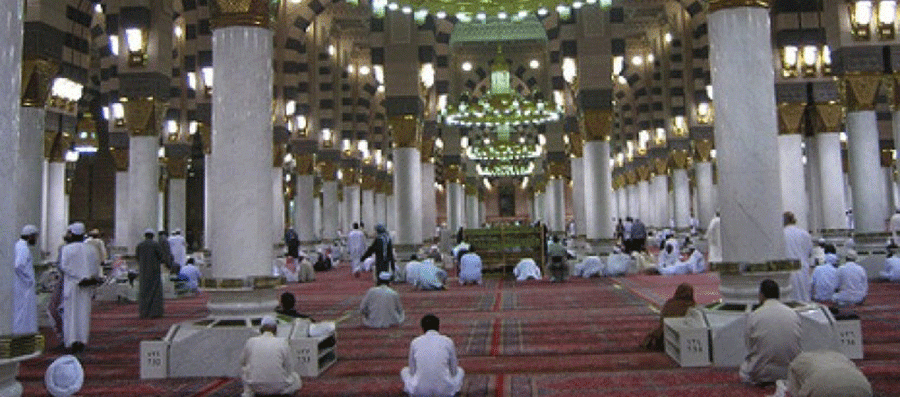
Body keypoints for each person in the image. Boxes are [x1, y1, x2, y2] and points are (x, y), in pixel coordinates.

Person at [740, 279, 801, 385]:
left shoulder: (754, 315)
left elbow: (749, 345)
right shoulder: (792, 314)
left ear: (761, 295)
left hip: (762, 373)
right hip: (790, 372)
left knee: (744, 370)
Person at [59, 222, 102, 353]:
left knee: (71, 314)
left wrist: (78, 277)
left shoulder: (66, 249)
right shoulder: (91, 249)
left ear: (72, 234)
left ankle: (71, 340)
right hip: (86, 286)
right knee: (83, 313)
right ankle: (82, 340)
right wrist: (88, 278)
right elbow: (95, 267)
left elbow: (64, 267)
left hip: (72, 285)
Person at [401, 314, 465, 397]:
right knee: (460, 371)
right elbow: (453, 370)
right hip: (445, 392)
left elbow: (412, 371)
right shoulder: (448, 341)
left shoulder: (415, 342)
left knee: (405, 371)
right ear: (438, 327)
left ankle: (411, 390)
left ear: (422, 328)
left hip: (419, 392)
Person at [239, 316, 302, 397]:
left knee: (245, 369)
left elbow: (242, 362)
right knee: (296, 378)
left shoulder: (251, 341)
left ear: (261, 330)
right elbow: (289, 367)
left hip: (255, 387)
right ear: (275, 330)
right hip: (279, 388)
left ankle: (248, 393)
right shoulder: (282, 342)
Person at [784, 350, 873, 397]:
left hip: (822, 388)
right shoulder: (840, 356)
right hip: (863, 387)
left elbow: (793, 393)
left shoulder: (796, 363)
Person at [641, 283, 695, 351]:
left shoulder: (669, 303)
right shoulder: (691, 306)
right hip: (682, 339)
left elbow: (662, 321)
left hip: (663, 336)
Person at [13, 225, 39, 335]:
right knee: (22, 312)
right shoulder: (22, 248)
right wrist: (28, 280)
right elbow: (18, 266)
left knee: (23, 311)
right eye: (35, 237)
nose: (36, 240)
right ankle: (21, 333)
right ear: (30, 236)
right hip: (23, 286)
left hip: (22, 285)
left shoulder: (20, 246)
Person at [137, 228, 167, 318]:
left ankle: (144, 312)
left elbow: (137, 257)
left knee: (144, 292)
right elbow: (162, 257)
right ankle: (154, 313)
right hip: (154, 271)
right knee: (155, 292)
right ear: (153, 236)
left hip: (143, 272)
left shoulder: (140, 245)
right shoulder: (155, 245)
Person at [784, 212, 813, 302]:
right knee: (804, 298)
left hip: (787, 271)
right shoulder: (804, 234)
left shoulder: (781, 234)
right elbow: (809, 253)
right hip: (803, 269)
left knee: (790, 299)